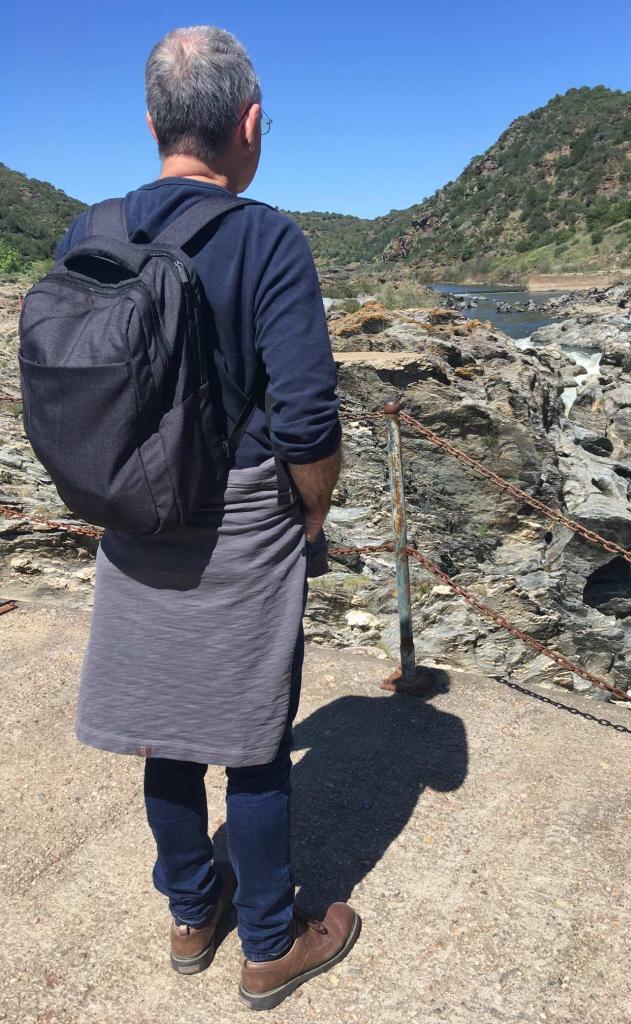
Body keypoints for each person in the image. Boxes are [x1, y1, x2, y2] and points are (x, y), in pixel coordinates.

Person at [54, 24, 359, 1012]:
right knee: (255, 740)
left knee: (167, 729)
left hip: (131, 518)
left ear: (152, 126)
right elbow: (308, 418)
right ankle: (271, 942)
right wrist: (311, 516)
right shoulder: (268, 239)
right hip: (242, 518)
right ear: (250, 124)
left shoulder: (90, 230)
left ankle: (192, 912)